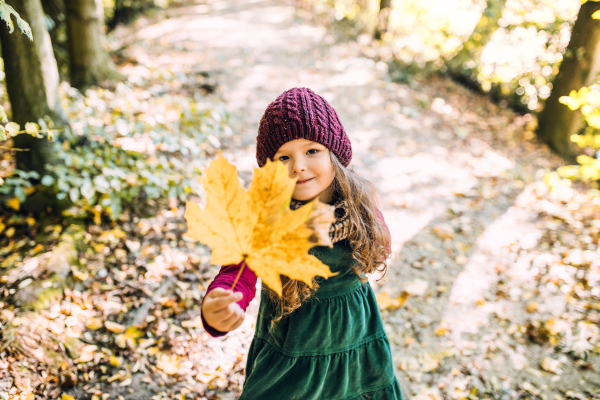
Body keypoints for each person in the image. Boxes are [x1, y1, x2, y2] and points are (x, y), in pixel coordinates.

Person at [199, 87, 404, 399]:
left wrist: (372, 250)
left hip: (356, 345)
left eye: (312, 151)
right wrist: (224, 302)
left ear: (334, 154)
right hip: (294, 356)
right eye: (284, 157)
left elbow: (379, 240)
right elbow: (238, 271)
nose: (298, 166)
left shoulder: (357, 203)